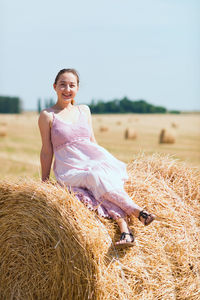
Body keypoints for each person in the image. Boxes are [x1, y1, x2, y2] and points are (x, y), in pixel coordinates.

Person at [38, 68, 156, 248]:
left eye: (72, 85)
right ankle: (135, 210)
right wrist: (44, 182)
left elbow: (92, 140)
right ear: (55, 87)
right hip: (68, 168)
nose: (67, 89)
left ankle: (125, 229)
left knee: (99, 176)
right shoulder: (48, 115)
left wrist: (104, 160)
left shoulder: (84, 110)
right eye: (62, 85)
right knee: (94, 176)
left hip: (91, 161)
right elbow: (47, 150)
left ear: (77, 88)